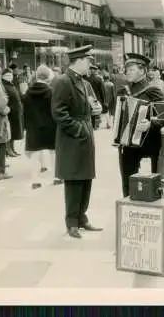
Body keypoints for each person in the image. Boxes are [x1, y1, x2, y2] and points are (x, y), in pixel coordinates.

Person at [51, 45, 102, 239]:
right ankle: (72, 221)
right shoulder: (63, 81)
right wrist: (79, 129)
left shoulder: (84, 82)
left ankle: (82, 217)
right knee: (73, 180)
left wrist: (95, 113)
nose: (91, 65)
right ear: (79, 60)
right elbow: (58, 113)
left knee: (86, 177)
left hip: (85, 136)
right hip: (72, 138)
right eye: (89, 61)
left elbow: (90, 104)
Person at [117, 53, 164, 198]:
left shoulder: (153, 91)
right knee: (127, 179)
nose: (127, 72)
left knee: (154, 179)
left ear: (142, 70)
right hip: (127, 144)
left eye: (131, 69)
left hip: (149, 141)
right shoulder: (123, 91)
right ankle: (128, 203)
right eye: (127, 69)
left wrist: (151, 124)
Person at [22, 65, 62, 189]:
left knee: (34, 153)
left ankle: (35, 181)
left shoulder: (28, 92)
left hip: (33, 127)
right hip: (50, 126)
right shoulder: (51, 91)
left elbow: (25, 111)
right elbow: (55, 110)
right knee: (54, 151)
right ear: (48, 77)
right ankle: (57, 177)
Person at [1, 68, 24, 157]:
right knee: (9, 132)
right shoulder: (3, 85)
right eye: (8, 75)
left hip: (15, 112)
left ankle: (12, 149)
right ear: (3, 76)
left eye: (11, 75)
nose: (10, 77)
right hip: (10, 112)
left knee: (14, 132)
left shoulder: (11, 84)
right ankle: (8, 149)